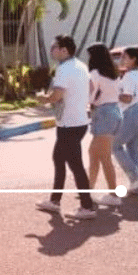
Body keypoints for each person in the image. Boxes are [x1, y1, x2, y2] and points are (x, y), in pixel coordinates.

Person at [35, 35, 97, 220]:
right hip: (78, 121)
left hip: (69, 124)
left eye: (54, 47)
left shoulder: (63, 69)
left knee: (75, 165)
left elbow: (56, 95)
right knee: (59, 159)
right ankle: (55, 201)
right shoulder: (81, 65)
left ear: (64, 50)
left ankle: (87, 207)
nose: (51, 50)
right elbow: (91, 88)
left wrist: (43, 99)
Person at [85, 43, 122, 206]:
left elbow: (90, 96)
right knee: (94, 153)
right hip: (114, 112)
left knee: (104, 156)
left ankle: (114, 195)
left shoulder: (95, 74)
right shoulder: (113, 73)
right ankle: (88, 190)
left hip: (103, 113)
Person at [113, 47, 138, 195]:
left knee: (115, 146)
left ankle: (136, 176)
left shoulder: (129, 76)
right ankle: (137, 185)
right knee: (132, 148)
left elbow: (127, 98)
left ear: (133, 59)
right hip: (137, 112)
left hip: (131, 113)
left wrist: (112, 94)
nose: (121, 59)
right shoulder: (133, 73)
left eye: (125, 57)